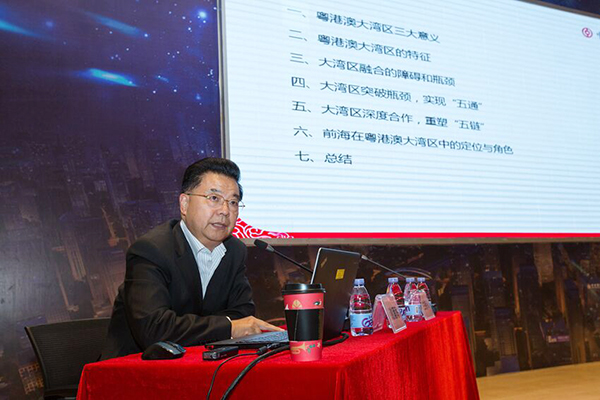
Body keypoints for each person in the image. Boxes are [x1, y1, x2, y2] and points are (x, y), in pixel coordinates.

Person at [101, 157, 281, 359]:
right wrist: (227, 327)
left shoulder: (234, 251)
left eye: (233, 202)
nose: (225, 211)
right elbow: (154, 330)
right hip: (133, 368)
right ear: (184, 204)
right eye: (214, 198)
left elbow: (242, 314)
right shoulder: (152, 250)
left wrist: (197, 327)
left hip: (200, 362)